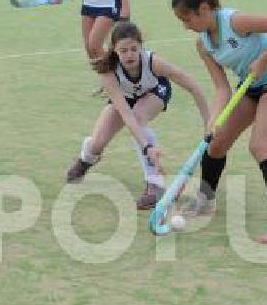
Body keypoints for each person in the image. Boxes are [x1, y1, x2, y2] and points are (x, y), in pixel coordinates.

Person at [170, 0, 267, 244]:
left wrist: (265, 58)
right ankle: (205, 200)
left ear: (204, 9)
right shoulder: (203, 44)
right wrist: (213, 120)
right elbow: (221, 87)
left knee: (260, 146)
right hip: (250, 87)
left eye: (187, 19)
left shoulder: (236, 22)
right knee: (216, 143)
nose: (185, 26)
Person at [66, 21, 210, 209]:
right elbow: (126, 114)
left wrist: (209, 121)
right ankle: (86, 160)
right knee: (97, 142)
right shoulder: (107, 70)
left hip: (155, 91)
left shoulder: (153, 63)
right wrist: (147, 147)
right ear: (115, 50)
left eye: (134, 49)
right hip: (125, 99)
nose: (129, 54)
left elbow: (193, 86)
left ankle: (155, 185)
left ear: (141, 47)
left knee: (139, 117)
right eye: (123, 50)